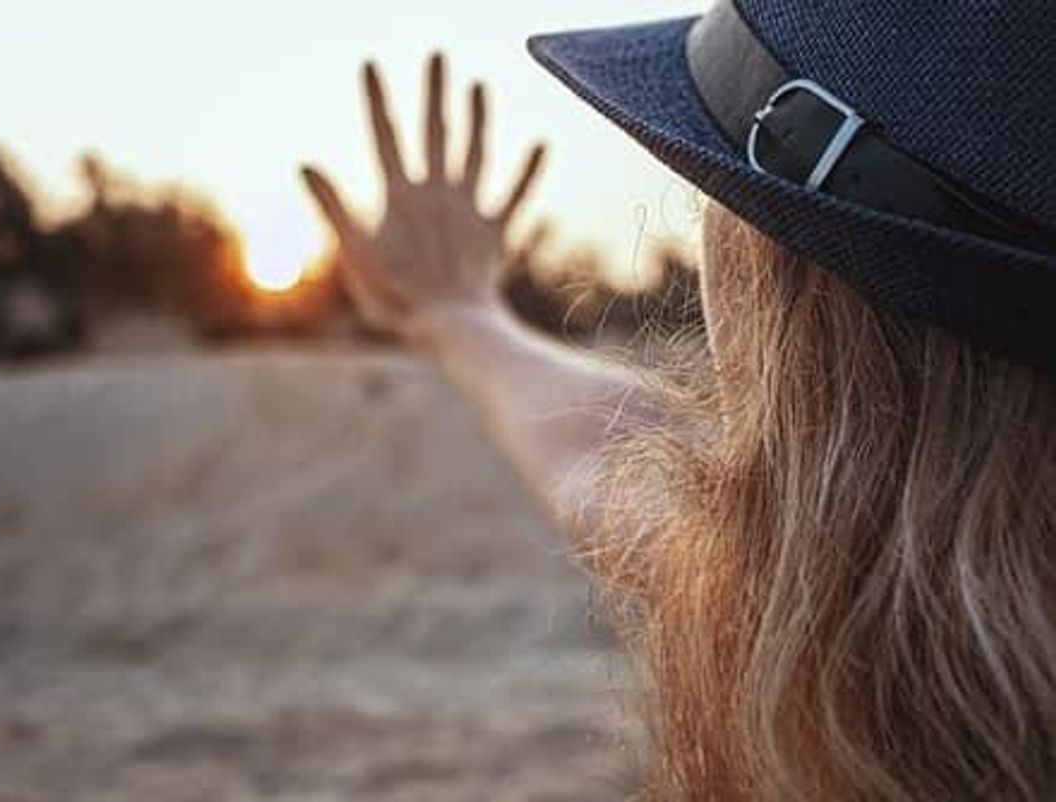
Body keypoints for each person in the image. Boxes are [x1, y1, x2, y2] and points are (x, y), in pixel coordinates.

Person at [301, 1, 1056, 799]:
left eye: (715, 190)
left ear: (788, 291)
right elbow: (608, 458)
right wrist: (462, 317)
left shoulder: (849, 657)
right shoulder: (858, 593)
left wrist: (457, 317)